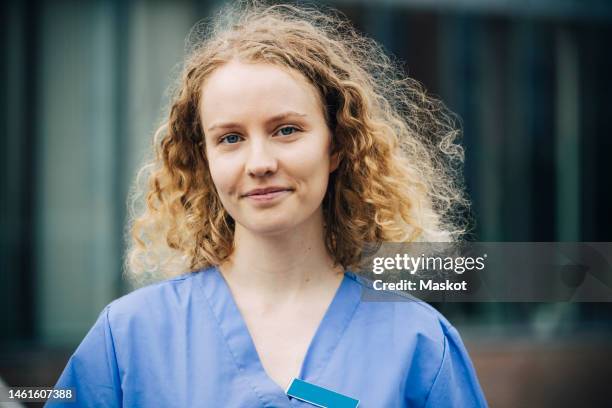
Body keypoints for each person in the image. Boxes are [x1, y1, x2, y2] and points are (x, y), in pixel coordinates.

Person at [49, 1, 487, 407]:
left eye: (286, 130)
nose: (259, 163)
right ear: (205, 160)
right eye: (231, 139)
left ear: (337, 146)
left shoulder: (418, 342)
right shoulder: (128, 337)